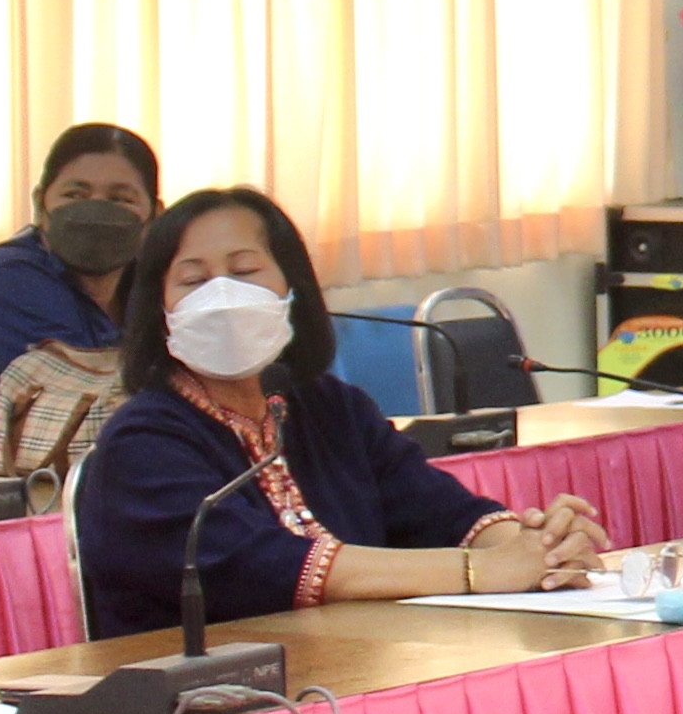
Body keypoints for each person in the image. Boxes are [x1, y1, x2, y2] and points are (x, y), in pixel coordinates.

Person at [71, 187, 609, 630]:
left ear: (292, 290)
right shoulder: (142, 444)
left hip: (350, 672)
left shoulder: (327, 408)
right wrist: (480, 570)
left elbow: (435, 510)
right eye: (193, 281)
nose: (222, 296)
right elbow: (265, 568)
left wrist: (537, 547)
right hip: (202, 707)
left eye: (244, 271)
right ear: (159, 311)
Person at [0, 123, 160, 479]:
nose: (95, 212)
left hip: (87, 487)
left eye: (120, 199)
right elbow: (81, 416)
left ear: (154, 216)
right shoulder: (11, 277)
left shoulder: (153, 281)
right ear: (40, 205)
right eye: (75, 195)